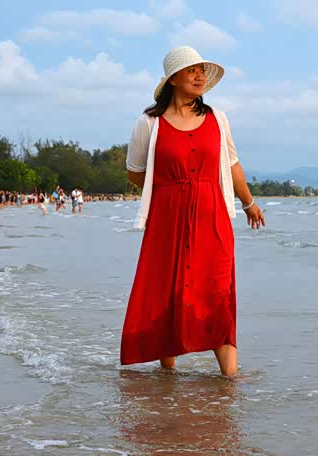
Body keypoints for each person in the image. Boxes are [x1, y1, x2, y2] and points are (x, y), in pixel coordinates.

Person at [119, 46, 265, 377]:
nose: (199, 77)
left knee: (217, 292)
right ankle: (167, 375)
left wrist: (248, 202)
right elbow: (135, 172)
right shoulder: (149, 123)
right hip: (166, 219)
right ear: (173, 79)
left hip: (212, 217)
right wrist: (168, 189)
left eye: (201, 71)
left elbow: (232, 164)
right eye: (191, 71)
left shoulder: (218, 119)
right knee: (167, 291)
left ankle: (230, 380)